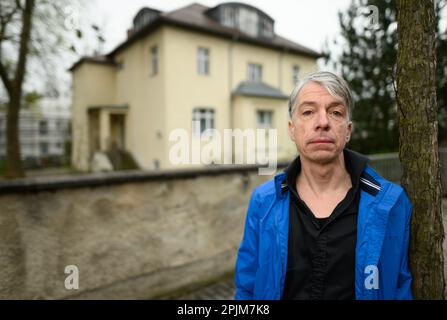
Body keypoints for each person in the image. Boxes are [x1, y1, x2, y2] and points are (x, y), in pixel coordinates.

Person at [234, 71, 413, 300]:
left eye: (335, 112)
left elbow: (399, 289)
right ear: (292, 129)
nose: (323, 122)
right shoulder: (263, 201)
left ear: (347, 130)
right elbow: (246, 289)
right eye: (308, 112)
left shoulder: (391, 203)